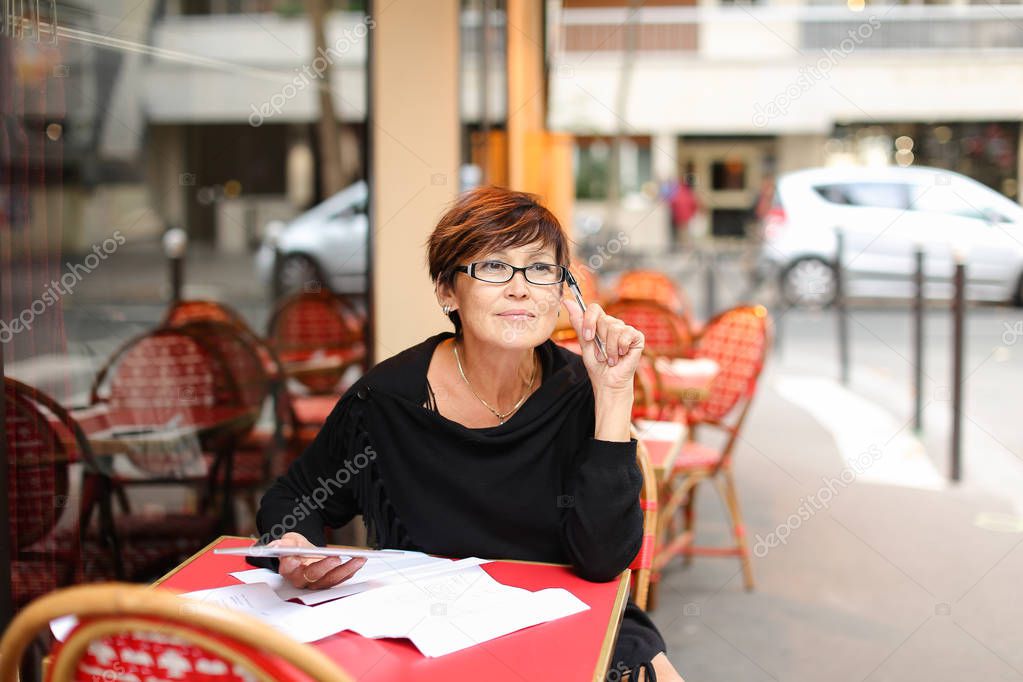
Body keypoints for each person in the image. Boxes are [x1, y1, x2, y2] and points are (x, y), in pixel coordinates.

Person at [256, 186, 684, 681]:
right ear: (446, 290)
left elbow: (604, 561)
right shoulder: (386, 403)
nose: (520, 288)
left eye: (540, 269)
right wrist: (297, 547)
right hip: (428, 636)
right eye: (494, 267)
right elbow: (295, 495)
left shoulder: (581, 391)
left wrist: (612, 395)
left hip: (571, 621)